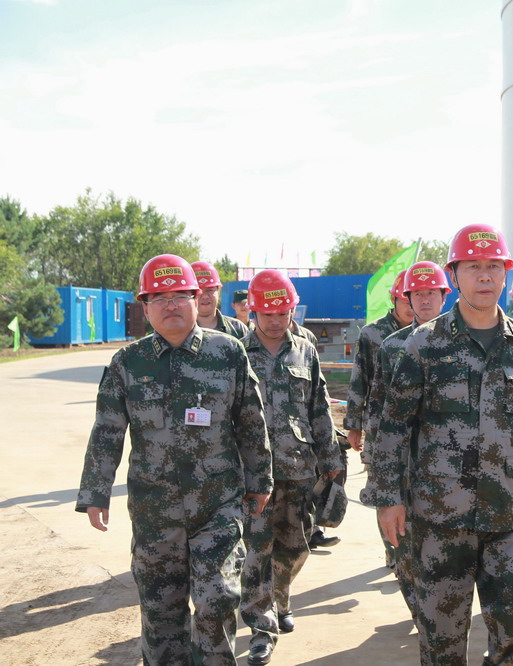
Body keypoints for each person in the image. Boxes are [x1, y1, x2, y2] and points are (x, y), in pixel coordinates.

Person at [366, 223, 513, 665]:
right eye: (473, 267)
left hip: (510, 510)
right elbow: (393, 426)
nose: (485, 276)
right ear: (454, 275)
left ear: (506, 274)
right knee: (442, 637)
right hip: (440, 517)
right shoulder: (423, 344)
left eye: (494, 266)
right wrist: (388, 499)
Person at [76, 254, 272, 665]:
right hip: (154, 510)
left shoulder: (228, 352)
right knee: (161, 610)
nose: (170, 306)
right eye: (159, 298)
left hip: (217, 504)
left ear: (196, 299)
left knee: (216, 598)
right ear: (145, 308)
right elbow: (107, 431)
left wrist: (260, 481)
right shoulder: (128, 363)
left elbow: (250, 421)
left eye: (179, 296)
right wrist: (95, 492)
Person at [239, 270, 345, 665]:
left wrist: (332, 460)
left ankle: (281, 597)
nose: (274, 320)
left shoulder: (305, 351)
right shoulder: (236, 353)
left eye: (281, 312)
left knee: (295, 547)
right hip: (252, 474)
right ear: (253, 312)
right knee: (256, 552)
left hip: (299, 467)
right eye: (267, 313)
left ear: (291, 311)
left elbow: (319, 408)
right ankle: (261, 627)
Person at [360, 260, 451, 613]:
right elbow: (378, 411)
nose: (425, 300)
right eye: (418, 293)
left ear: (444, 296)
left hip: (451, 471)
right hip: (406, 467)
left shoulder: (463, 343)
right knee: (406, 551)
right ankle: (421, 614)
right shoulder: (392, 347)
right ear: (407, 298)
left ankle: (437, 616)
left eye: (431, 293)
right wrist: (377, 466)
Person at [344, 269, 413, 567]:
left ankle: (410, 552)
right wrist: (353, 425)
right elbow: (359, 380)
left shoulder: (432, 332)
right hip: (379, 424)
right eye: (405, 299)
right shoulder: (372, 334)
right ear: (394, 300)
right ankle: (393, 550)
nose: (411, 305)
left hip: (417, 428)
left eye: (416, 297)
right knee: (383, 488)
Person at [191, 260, 251, 338]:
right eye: (199, 291)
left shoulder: (238, 329)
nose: (205, 296)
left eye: (210, 290)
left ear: (218, 291)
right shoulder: (180, 331)